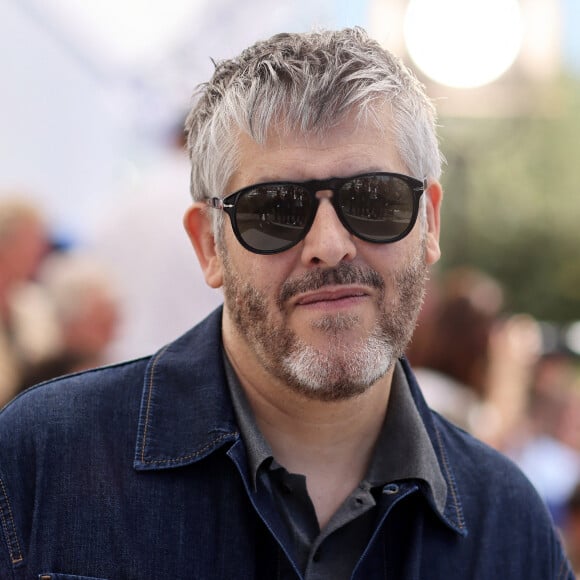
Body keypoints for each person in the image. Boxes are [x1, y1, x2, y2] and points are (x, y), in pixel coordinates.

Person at [0, 28, 573, 579]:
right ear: (209, 246)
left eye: (375, 199)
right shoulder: (44, 459)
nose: (329, 245)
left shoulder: (508, 523)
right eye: (274, 210)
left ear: (430, 223)